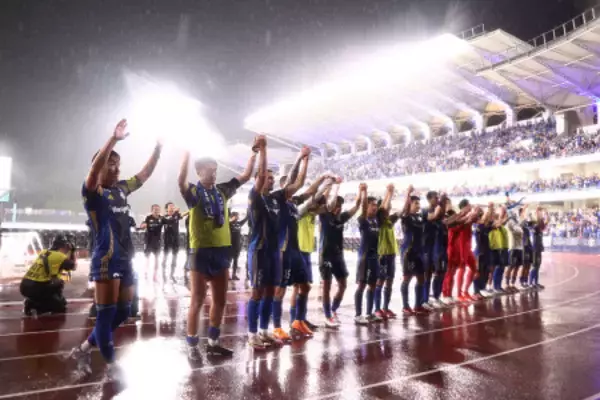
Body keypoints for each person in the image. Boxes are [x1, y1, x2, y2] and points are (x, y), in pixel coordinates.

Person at [70, 118, 162, 380]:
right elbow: (93, 172)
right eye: (110, 164)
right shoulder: (92, 193)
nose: (116, 168)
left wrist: (158, 148)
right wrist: (113, 140)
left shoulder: (122, 189)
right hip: (106, 259)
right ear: (98, 167)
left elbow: (144, 174)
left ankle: (84, 348)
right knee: (105, 315)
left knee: (124, 311)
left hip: (126, 259)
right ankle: (112, 365)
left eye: (118, 164)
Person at [178, 145, 256, 360]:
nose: (213, 173)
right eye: (209, 170)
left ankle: (213, 343)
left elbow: (245, 175)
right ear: (198, 172)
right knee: (197, 300)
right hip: (200, 252)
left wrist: (254, 153)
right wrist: (186, 153)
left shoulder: (222, 190)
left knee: (220, 301)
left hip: (222, 251)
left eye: (215, 170)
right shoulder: (193, 192)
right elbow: (180, 181)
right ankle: (192, 346)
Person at [247, 135, 285, 349]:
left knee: (270, 291)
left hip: (273, 252)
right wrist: (263, 149)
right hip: (259, 251)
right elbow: (260, 175)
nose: (270, 180)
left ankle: (263, 330)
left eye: (272, 178)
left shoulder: (274, 200)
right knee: (257, 292)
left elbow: (295, 186)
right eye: (267, 178)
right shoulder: (255, 197)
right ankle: (252, 334)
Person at [319, 182, 362, 327]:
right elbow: (323, 198)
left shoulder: (341, 217)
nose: (338, 208)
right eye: (336, 205)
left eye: (340, 206)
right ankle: (327, 316)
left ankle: (333, 310)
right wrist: (330, 186)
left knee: (343, 285)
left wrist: (361, 191)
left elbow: (356, 207)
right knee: (326, 286)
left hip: (338, 256)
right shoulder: (324, 215)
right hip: (325, 255)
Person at [21, 235, 76, 316]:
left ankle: (33, 300)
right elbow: (73, 267)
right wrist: (72, 252)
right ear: (64, 246)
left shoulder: (44, 252)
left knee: (56, 284)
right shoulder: (60, 256)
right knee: (60, 304)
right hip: (36, 287)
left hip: (24, 285)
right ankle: (36, 305)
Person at [354, 184, 382, 325]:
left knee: (373, 285)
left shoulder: (377, 220)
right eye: (372, 205)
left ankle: (370, 313)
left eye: (376, 205)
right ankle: (358, 315)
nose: (375, 207)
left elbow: (385, 209)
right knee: (362, 285)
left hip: (374, 257)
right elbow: (363, 208)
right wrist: (364, 192)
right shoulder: (362, 219)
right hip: (364, 257)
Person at [399, 186, 428, 315]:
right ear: (410, 204)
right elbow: (405, 209)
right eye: (416, 203)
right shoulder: (406, 217)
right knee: (407, 279)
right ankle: (405, 306)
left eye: (419, 203)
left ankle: (418, 305)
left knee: (421, 278)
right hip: (408, 252)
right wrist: (407, 193)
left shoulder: (419, 217)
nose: (418, 206)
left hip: (419, 252)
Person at [373, 184, 399, 319]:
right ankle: (377, 309)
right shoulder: (378, 220)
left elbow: (400, 212)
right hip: (382, 254)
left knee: (390, 281)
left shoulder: (389, 220)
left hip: (391, 254)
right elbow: (383, 208)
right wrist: (389, 192)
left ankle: (385, 307)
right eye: (387, 207)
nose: (389, 209)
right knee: (380, 281)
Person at [455, 199, 481, 302]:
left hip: (468, 244)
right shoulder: (459, 216)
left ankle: (465, 291)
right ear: (464, 206)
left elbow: (478, 220)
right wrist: (473, 214)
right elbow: (464, 223)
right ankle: (459, 294)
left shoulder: (468, 214)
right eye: (469, 205)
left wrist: (477, 213)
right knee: (462, 268)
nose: (470, 206)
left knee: (474, 268)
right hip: (461, 244)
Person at [161, 202, 188, 282]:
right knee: (165, 257)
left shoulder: (176, 215)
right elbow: (170, 221)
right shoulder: (164, 217)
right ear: (166, 209)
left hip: (175, 240)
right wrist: (176, 213)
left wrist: (191, 210)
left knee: (174, 258)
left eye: (173, 206)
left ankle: (171, 275)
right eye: (170, 206)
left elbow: (183, 214)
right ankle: (163, 274)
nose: (172, 207)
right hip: (167, 240)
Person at [472, 203, 494, 300]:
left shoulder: (485, 227)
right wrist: (489, 209)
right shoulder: (476, 226)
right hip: (479, 252)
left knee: (486, 271)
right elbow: (486, 219)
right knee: (478, 272)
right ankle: (475, 291)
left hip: (487, 252)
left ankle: (480, 290)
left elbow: (491, 220)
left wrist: (490, 210)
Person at [505, 205, 525, 292]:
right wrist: (509, 211)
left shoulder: (517, 223)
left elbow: (521, 229)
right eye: (514, 212)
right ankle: (507, 285)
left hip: (520, 248)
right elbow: (516, 230)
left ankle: (512, 284)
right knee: (511, 266)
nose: (516, 214)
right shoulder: (510, 222)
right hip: (513, 247)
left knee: (517, 267)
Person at [140, 204, 163, 281]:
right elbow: (143, 224)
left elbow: (170, 221)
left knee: (157, 259)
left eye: (158, 209)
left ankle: (155, 275)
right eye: (155, 209)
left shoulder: (161, 218)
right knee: (147, 258)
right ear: (152, 210)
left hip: (157, 242)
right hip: (148, 242)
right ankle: (146, 273)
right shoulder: (148, 218)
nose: (156, 211)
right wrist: (143, 225)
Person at [529, 206, 547, 289]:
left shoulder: (540, 228)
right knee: (535, 266)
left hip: (539, 248)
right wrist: (538, 212)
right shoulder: (535, 227)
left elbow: (545, 222)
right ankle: (530, 283)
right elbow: (538, 221)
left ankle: (536, 282)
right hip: (535, 249)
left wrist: (546, 212)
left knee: (538, 266)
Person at [229, 211, 248, 280]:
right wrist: (231, 219)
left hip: (237, 245)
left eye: (238, 215)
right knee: (229, 261)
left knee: (236, 260)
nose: (238, 217)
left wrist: (248, 211)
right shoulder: (229, 224)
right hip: (230, 245)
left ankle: (234, 275)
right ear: (233, 216)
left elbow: (246, 219)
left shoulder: (239, 223)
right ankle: (228, 275)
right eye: (236, 215)